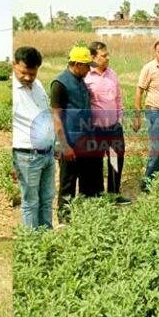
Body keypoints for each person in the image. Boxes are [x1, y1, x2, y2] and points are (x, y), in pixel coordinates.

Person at [51, 46, 103, 224]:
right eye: (87, 66)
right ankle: (65, 220)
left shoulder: (81, 80)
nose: (90, 69)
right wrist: (64, 145)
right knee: (68, 184)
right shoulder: (60, 84)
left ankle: (84, 217)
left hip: (86, 141)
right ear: (78, 64)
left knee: (88, 182)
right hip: (69, 143)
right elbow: (56, 117)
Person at [11, 46, 55, 230]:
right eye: (24, 72)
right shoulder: (12, 91)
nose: (28, 77)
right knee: (31, 202)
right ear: (14, 65)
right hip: (26, 156)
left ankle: (46, 238)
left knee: (47, 199)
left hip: (47, 153)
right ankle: (32, 244)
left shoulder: (38, 86)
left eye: (33, 73)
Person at [84, 41, 131, 204]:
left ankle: (113, 194)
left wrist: (119, 119)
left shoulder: (112, 74)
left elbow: (118, 98)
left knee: (116, 160)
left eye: (107, 54)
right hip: (95, 129)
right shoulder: (86, 76)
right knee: (95, 163)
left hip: (114, 128)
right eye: (104, 55)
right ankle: (96, 196)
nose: (107, 58)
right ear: (93, 57)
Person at [133, 40, 159, 192]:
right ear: (155, 52)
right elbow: (139, 91)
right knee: (156, 150)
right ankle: (147, 183)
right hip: (154, 113)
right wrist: (137, 116)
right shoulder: (149, 68)